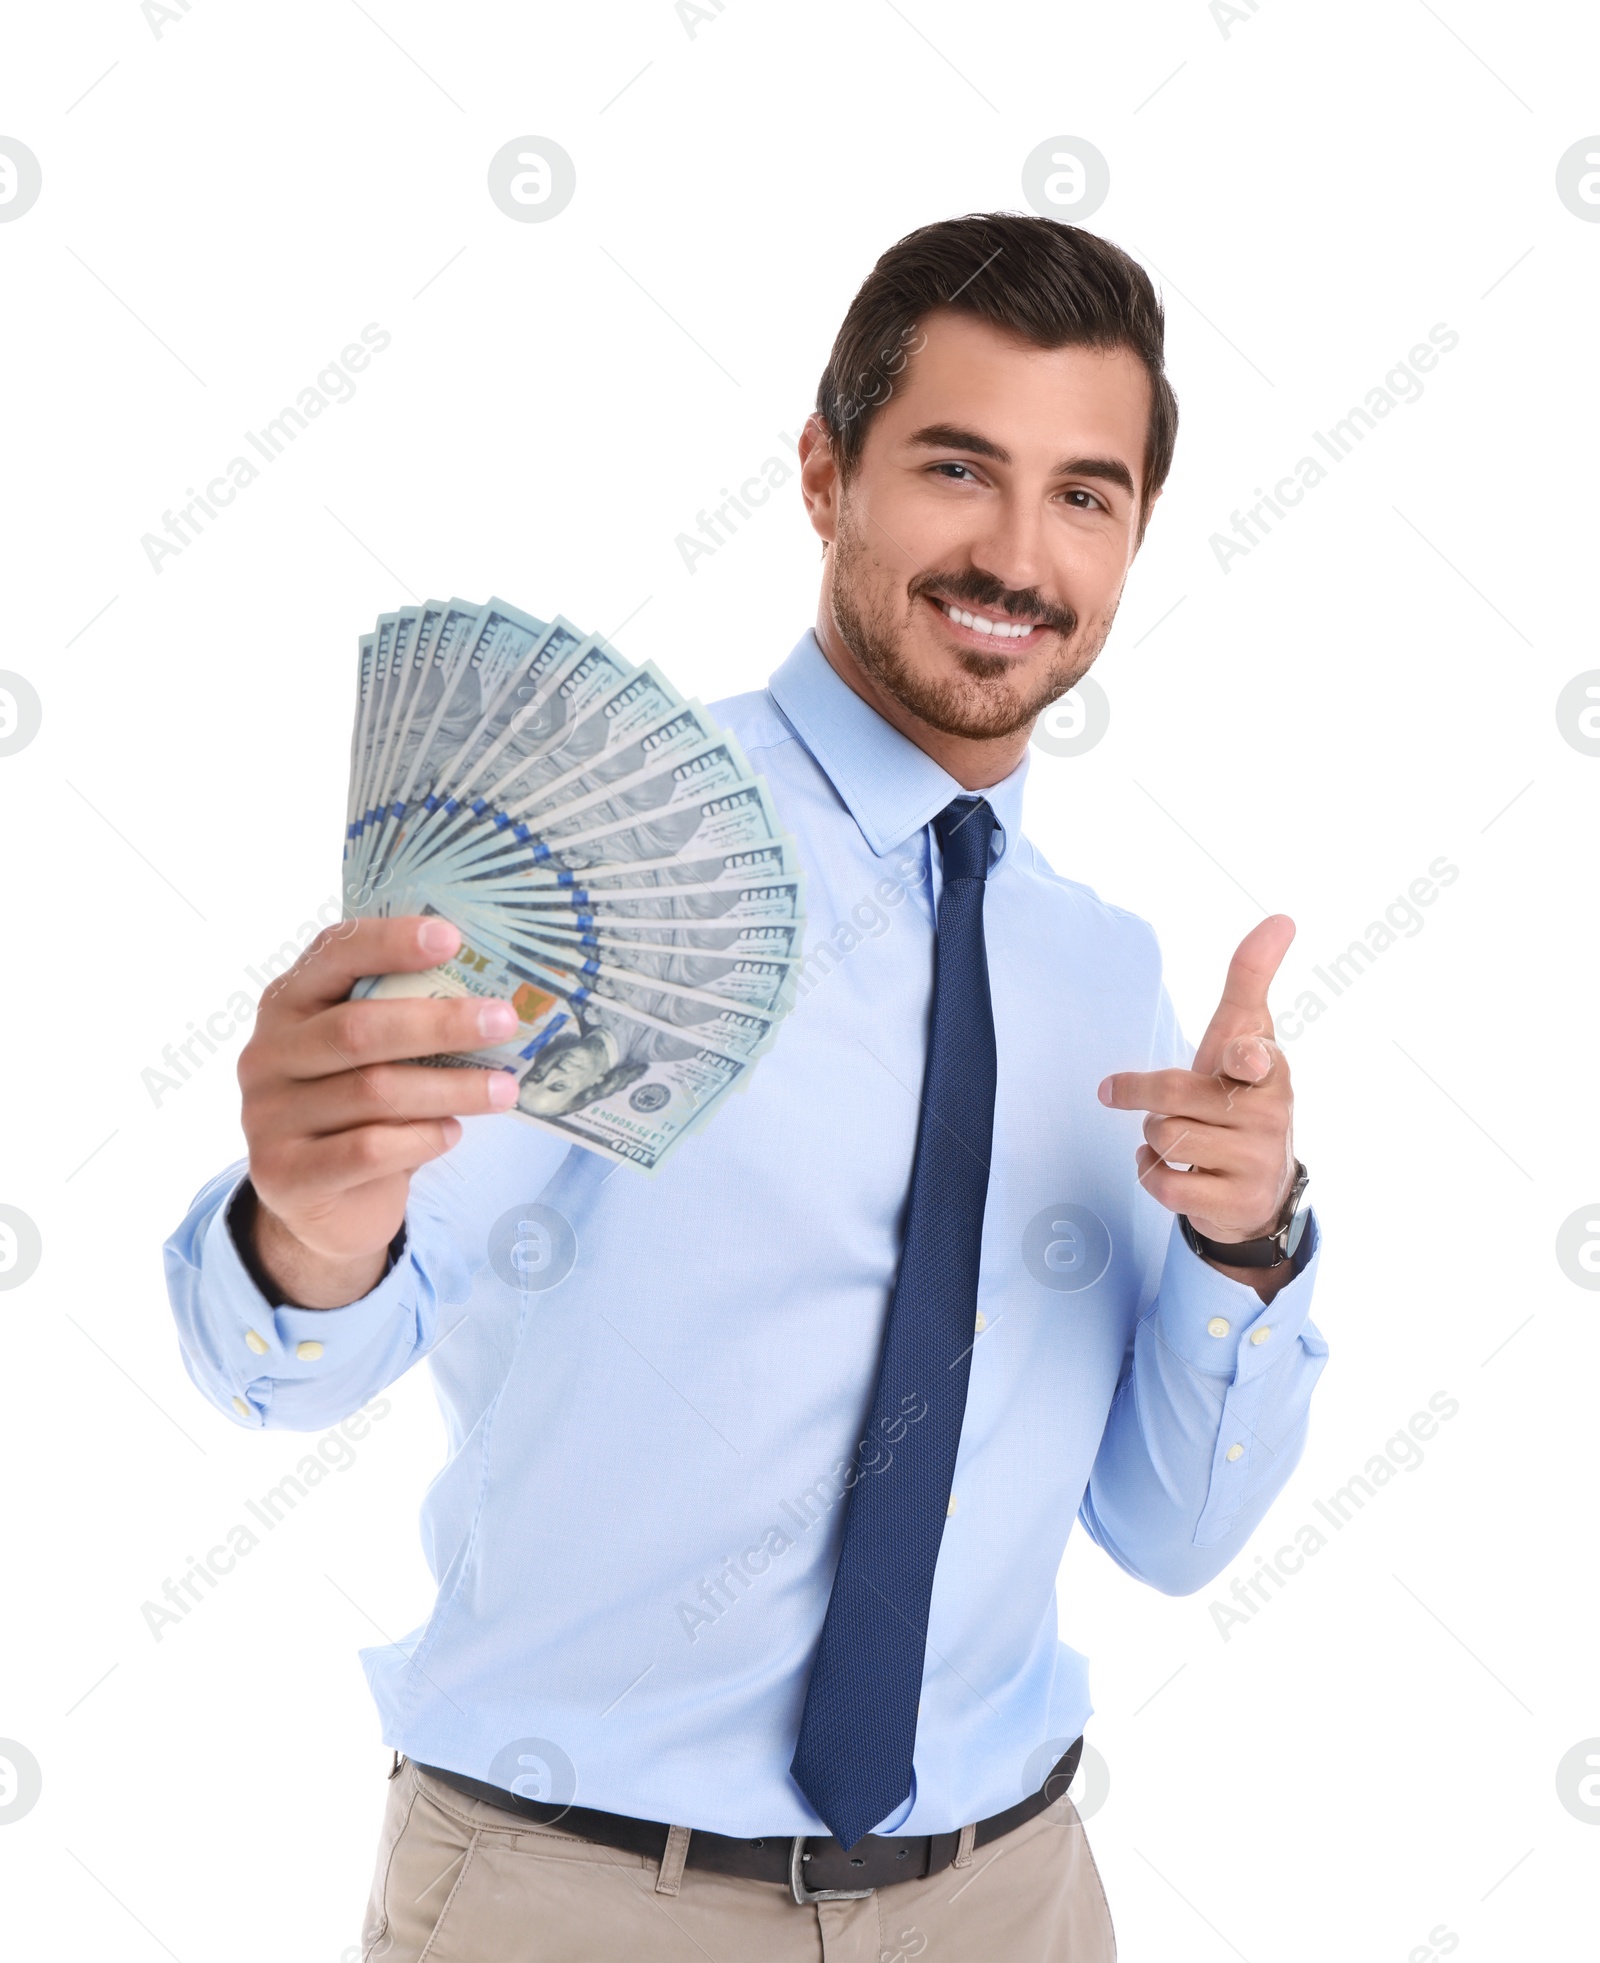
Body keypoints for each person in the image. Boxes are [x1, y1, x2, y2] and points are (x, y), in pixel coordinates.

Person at [165, 211, 1327, 1962]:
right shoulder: (600, 858)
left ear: (1137, 532)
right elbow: (289, 1370)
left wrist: (1249, 1246)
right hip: (577, 1897)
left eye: (1085, 494)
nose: (1018, 554)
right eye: (958, 467)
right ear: (822, 472)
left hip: (1006, 1898)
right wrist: (305, 1226)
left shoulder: (1107, 974)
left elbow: (1170, 1531)